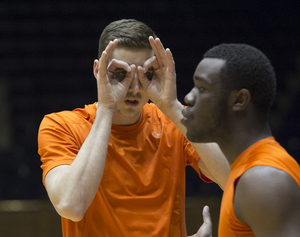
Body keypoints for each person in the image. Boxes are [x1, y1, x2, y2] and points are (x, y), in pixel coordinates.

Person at [38, 19, 230, 237]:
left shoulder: (175, 121)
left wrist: (172, 107)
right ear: (97, 70)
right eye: (121, 73)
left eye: (146, 74)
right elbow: (70, 206)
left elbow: (235, 179)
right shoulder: (61, 126)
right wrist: (106, 110)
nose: (135, 88)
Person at [181, 43, 300, 236]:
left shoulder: (262, 180)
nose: (188, 97)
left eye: (202, 88)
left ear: (239, 100)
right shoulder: (248, 169)